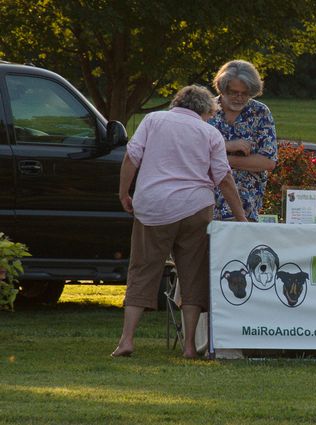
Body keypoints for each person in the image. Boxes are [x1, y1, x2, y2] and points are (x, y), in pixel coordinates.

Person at [111, 85, 247, 359]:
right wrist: (241, 217)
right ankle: (188, 348)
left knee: (142, 270)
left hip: (153, 207)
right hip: (195, 208)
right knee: (193, 275)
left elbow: (131, 157)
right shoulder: (210, 133)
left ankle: (126, 340)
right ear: (206, 110)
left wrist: (124, 193)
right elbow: (224, 178)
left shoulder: (153, 120)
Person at [207, 59, 277, 221]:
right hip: (204, 205)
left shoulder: (260, 112)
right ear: (222, 88)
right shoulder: (206, 111)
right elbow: (193, 153)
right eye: (233, 92)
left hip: (245, 206)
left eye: (245, 93)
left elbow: (268, 162)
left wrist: (219, 159)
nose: (239, 98)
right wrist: (228, 146)